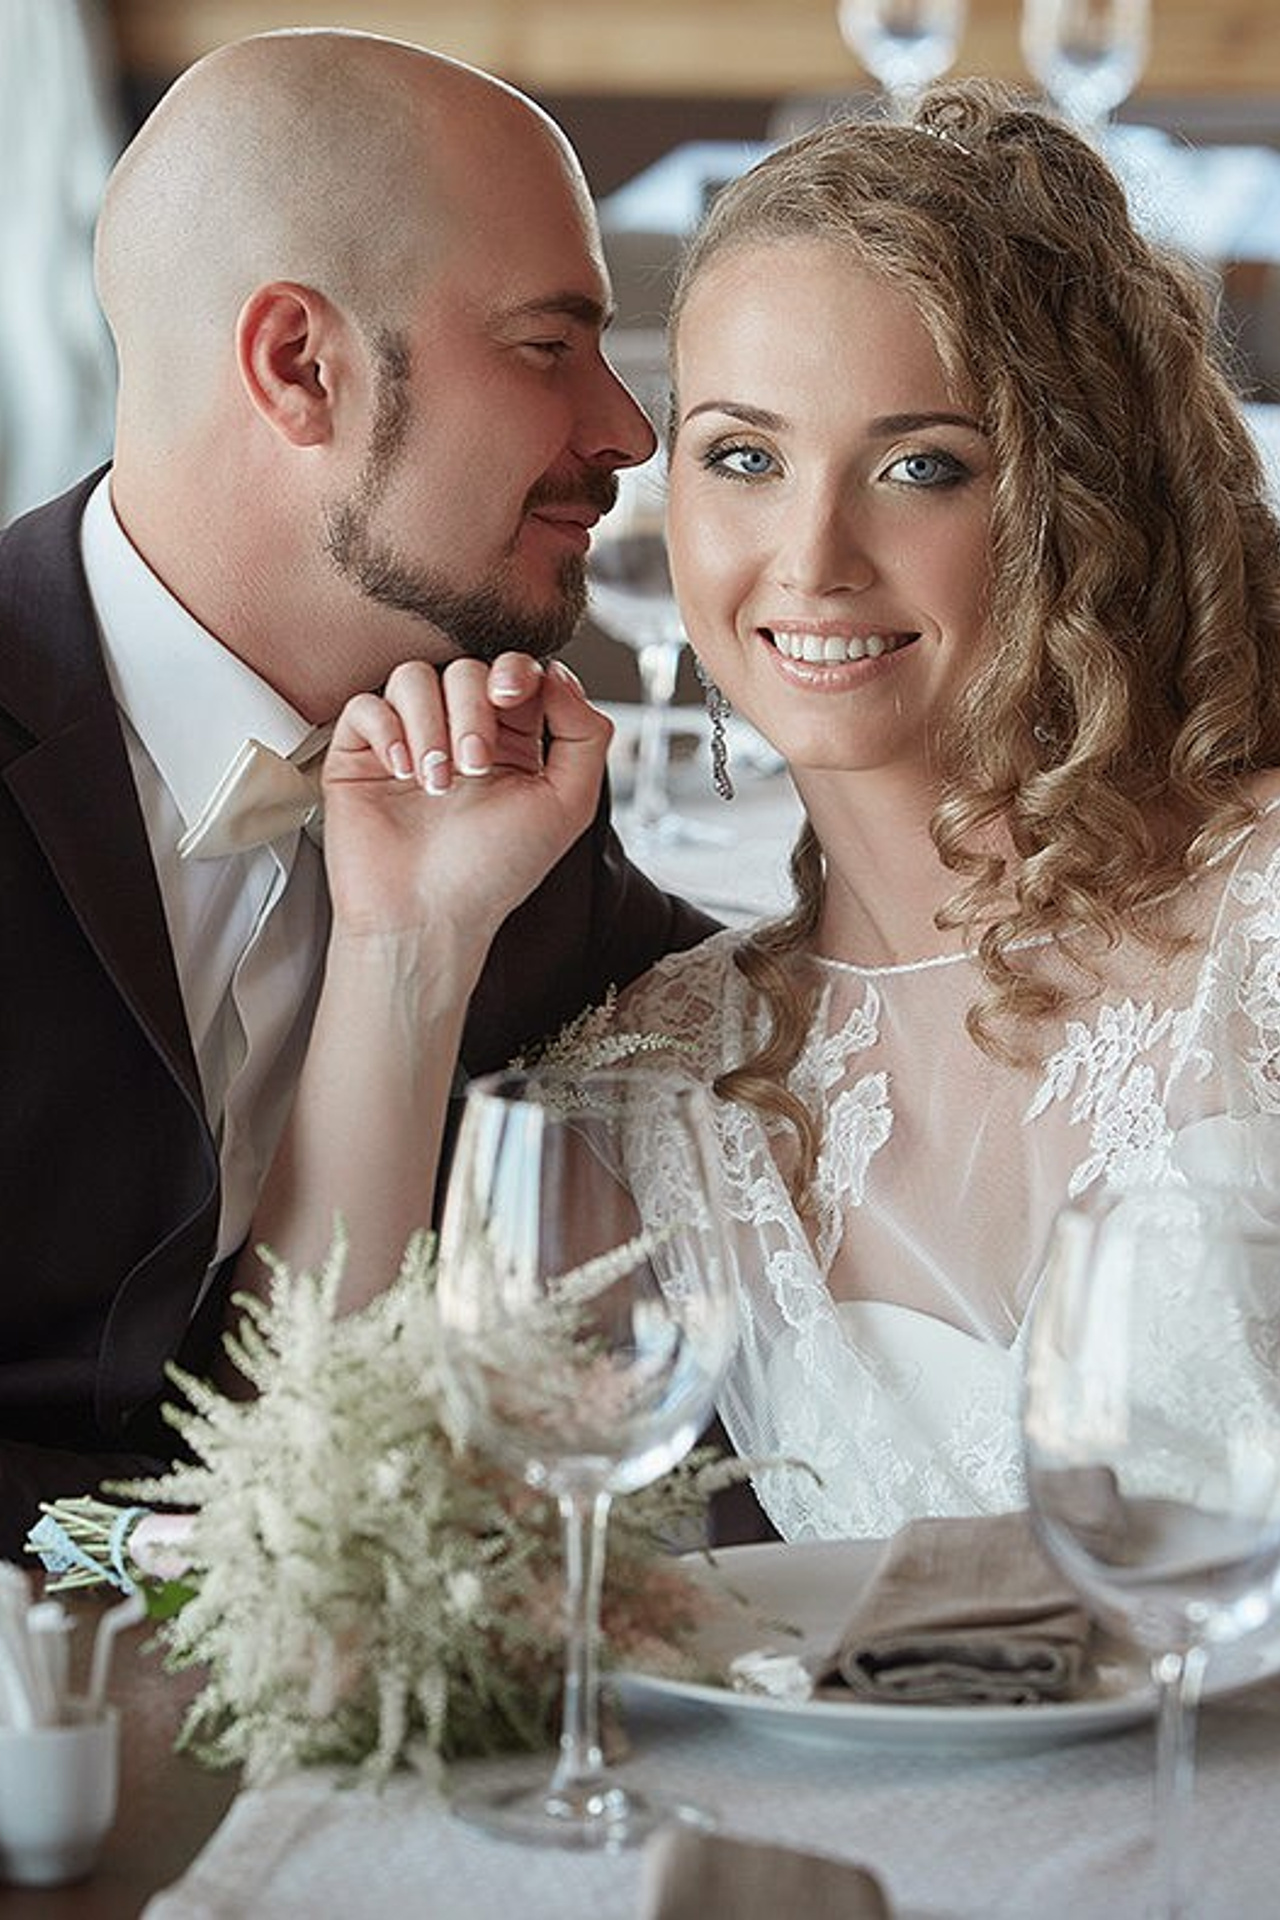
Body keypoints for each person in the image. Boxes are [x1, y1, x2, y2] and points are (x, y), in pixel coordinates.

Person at [365, 77, 1280, 1544]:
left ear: (1082, 500)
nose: (812, 556)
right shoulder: (665, 1083)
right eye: (744, 456)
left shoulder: (1264, 932)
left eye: (922, 467)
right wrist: (399, 942)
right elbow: (393, 1547)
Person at [0, 28, 715, 1557]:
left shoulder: (511, 796)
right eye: (547, 344)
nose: (626, 432)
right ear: (300, 366)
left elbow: (804, 1030)